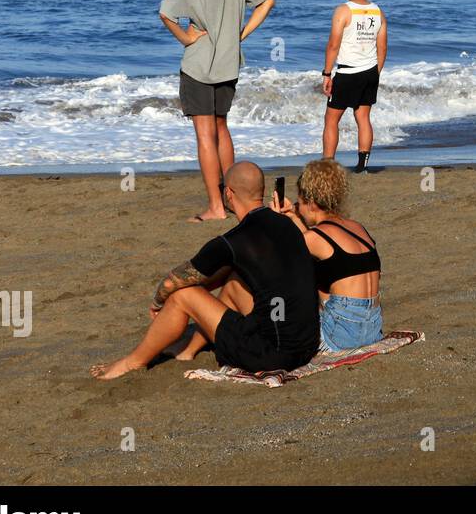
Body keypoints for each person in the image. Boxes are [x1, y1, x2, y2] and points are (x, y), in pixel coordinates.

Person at [91, 162, 320, 380]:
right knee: (233, 281)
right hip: (305, 344)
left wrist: (158, 303)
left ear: (229, 193)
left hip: (270, 355)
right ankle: (188, 350)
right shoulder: (288, 224)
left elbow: (174, 281)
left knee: (182, 296)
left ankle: (132, 362)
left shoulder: (232, 241)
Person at [159, 0, 275, 221]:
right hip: (228, 62)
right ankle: (233, 201)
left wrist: (186, 38)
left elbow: (165, 13)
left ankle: (215, 207)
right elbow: (267, 1)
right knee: (222, 128)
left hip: (199, 63)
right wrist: (241, 34)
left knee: (205, 135)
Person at [273, 158, 383, 352]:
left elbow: (277, 256)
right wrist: (294, 216)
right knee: (323, 271)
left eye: (300, 200)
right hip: (373, 330)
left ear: (312, 202)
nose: (297, 205)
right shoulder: (358, 228)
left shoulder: (315, 238)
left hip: (339, 338)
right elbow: (320, 243)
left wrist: (275, 221)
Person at [322, 0, 387, 173]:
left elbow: (333, 44)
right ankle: (363, 165)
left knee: (332, 119)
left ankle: (328, 164)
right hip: (370, 71)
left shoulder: (344, 10)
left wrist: (326, 73)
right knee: (363, 117)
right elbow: (382, 47)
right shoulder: (378, 11)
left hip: (348, 73)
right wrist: (376, 72)